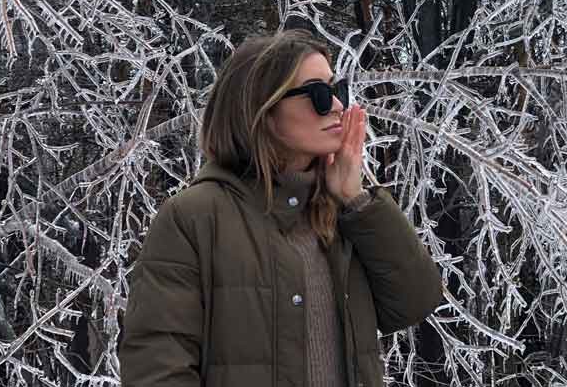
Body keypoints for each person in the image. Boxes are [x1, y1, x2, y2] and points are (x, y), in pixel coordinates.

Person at [119, 30, 444, 387]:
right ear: (263, 108)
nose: (337, 106)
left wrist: (356, 199)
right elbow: (158, 367)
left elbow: (415, 301)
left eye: (337, 91)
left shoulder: (342, 216)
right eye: (318, 95)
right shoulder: (194, 217)